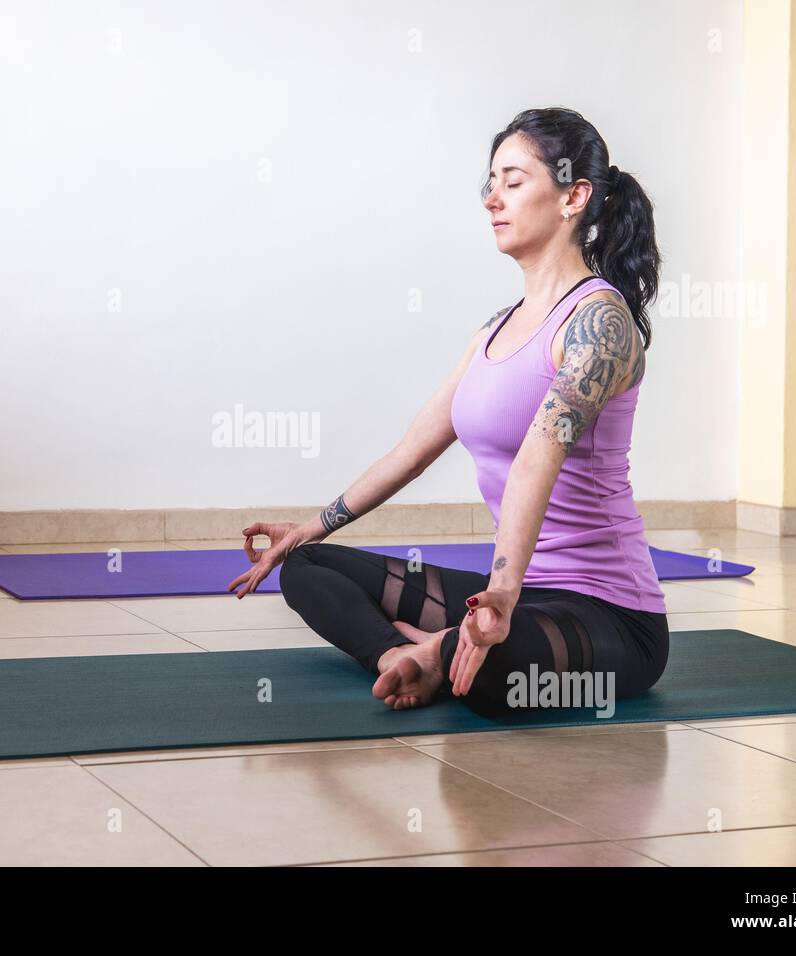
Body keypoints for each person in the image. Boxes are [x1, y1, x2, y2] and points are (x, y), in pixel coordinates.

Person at [227, 107, 669, 718]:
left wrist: (503, 592)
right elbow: (410, 455)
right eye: (490, 183)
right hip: (519, 597)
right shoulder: (493, 333)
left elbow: (538, 457)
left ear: (575, 197)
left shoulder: (600, 322)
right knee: (306, 569)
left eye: (513, 182)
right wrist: (308, 527)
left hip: (611, 615)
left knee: (496, 676)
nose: (493, 198)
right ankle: (399, 658)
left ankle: (438, 653)